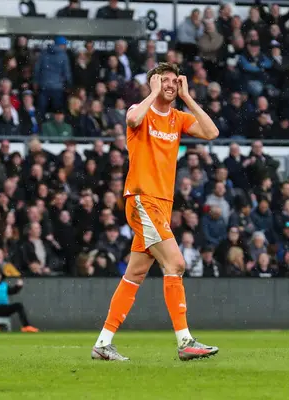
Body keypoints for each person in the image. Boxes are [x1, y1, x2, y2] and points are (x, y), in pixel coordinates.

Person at [92, 62, 219, 361]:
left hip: (161, 204)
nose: (171, 85)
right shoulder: (141, 110)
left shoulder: (178, 118)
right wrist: (151, 92)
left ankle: (103, 342)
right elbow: (133, 117)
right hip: (141, 199)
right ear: (153, 83)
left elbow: (211, 132)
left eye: (175, 80)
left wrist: (188, 98)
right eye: (165, 80)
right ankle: (185, 341)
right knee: (175, 264)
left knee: (135, 273)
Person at [0, 267, 39, 333]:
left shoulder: (4, 285)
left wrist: (18, 286)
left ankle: (26, 326)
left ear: (1, 276)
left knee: (19, 305)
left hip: (3, 310)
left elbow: (13, 291)